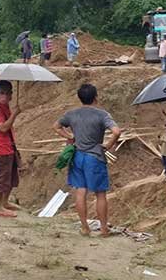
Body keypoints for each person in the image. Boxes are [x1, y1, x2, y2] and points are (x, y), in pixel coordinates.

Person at [53, 84, 121, 237]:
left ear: (79, 98)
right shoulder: (102, 115)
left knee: (80, 191)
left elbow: (56, 126)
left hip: (77, 156)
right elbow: (117, 131)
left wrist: (70, 137)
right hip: (94, 157)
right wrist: (108, 145)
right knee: (100, 194)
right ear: (95, 97)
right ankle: (104, 229)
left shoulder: (72, 114)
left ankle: (85, 227)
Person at [0, 80, 22, 218]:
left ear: (12, 95)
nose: (5, 96)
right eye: (2, 93)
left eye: (8, 93)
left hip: (9, 147)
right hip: (1, 149)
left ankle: (5, 202)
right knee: (1, 179)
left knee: (11, 178)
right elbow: (3, 127)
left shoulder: (4, 107)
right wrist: (15, 114)